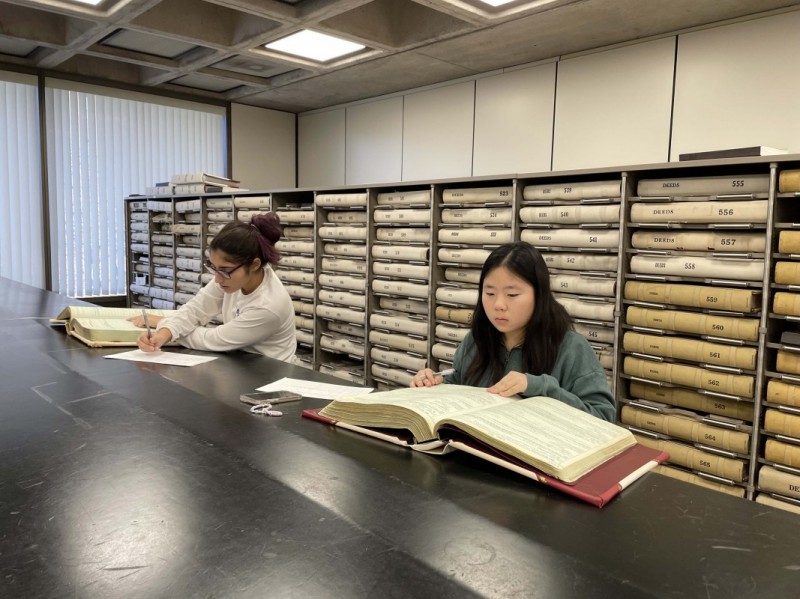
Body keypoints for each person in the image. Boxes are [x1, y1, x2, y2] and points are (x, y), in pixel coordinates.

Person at [410, 241, 615, 421]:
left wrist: (541, 387)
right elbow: (457, 388)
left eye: (512, 294)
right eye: (490, 293)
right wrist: (435, 385)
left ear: (539, 295)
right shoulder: (476, 341)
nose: (498, 305)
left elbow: (604, 418)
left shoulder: (571, 348)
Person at [132, 212, 297, 361]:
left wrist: (168, 327)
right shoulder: (232, 276)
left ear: (254, 264)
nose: (217, 279)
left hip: (270, 373)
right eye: (214, 268)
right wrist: (164, 333)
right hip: (241, 361)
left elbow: (213, 340)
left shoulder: (268, 306)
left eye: (224, 270)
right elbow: (196, 309)